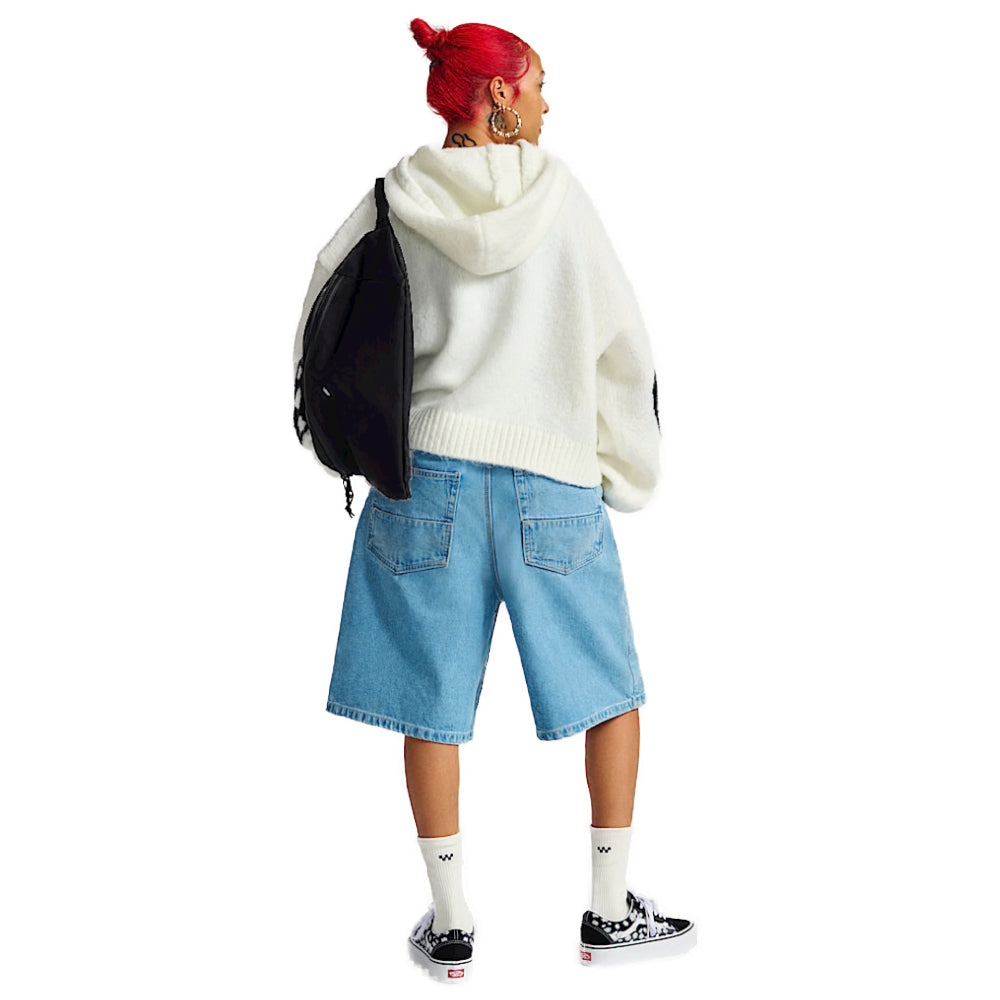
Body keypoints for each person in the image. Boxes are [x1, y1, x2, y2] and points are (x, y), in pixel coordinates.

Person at [291, 18, 697, 980]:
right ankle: (608, 911)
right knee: (609, 690)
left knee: (428, 702)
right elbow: (621, 344)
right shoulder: (560, 197)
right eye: (541, 83)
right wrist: (627, 466)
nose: (550, 102)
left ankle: (452, 924)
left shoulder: (394, 199)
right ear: (501, 95)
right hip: (552, 476)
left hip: (424, 477)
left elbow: (320, 318)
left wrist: (340, 443)